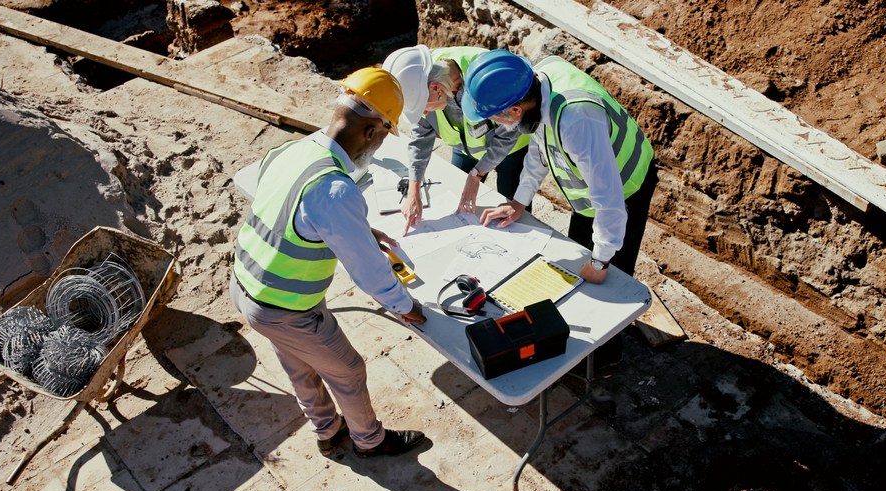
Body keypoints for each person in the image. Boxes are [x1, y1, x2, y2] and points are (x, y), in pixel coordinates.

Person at [230, 67, 427, 458]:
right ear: (372, 131)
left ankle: (326, 430)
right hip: (283, 305)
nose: (379, 145)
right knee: (348, 369)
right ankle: (369, 441)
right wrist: (406, 307)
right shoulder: (336, 190)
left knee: (299, 361)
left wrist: (356, 230)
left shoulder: (293, 150)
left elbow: (292, 212)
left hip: (249, 284)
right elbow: (370, 272)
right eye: (385, 135)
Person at [462, 50, 658, 367]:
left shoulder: (577, 120)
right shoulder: (537, 84)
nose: (496, 125)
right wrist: (519, 201)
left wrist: (601, 259)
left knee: (608, 279)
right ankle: (589, 337)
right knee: (582, 272)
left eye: (496, 118)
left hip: (626, 188)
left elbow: (609, 199)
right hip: (597, 194)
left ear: (514, 110)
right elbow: (542, 149)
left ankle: (606, 357)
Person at [382, 45, 531, 234]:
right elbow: (420, 139)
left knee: (513, 211)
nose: (424, 114)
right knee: (457, 202)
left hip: (512, 149)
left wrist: (476, 175)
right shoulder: (418, 80)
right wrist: (413, 190)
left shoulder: (485, 76)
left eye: (423, 108)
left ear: (435, 88)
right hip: (465, 147)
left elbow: (508, 132)